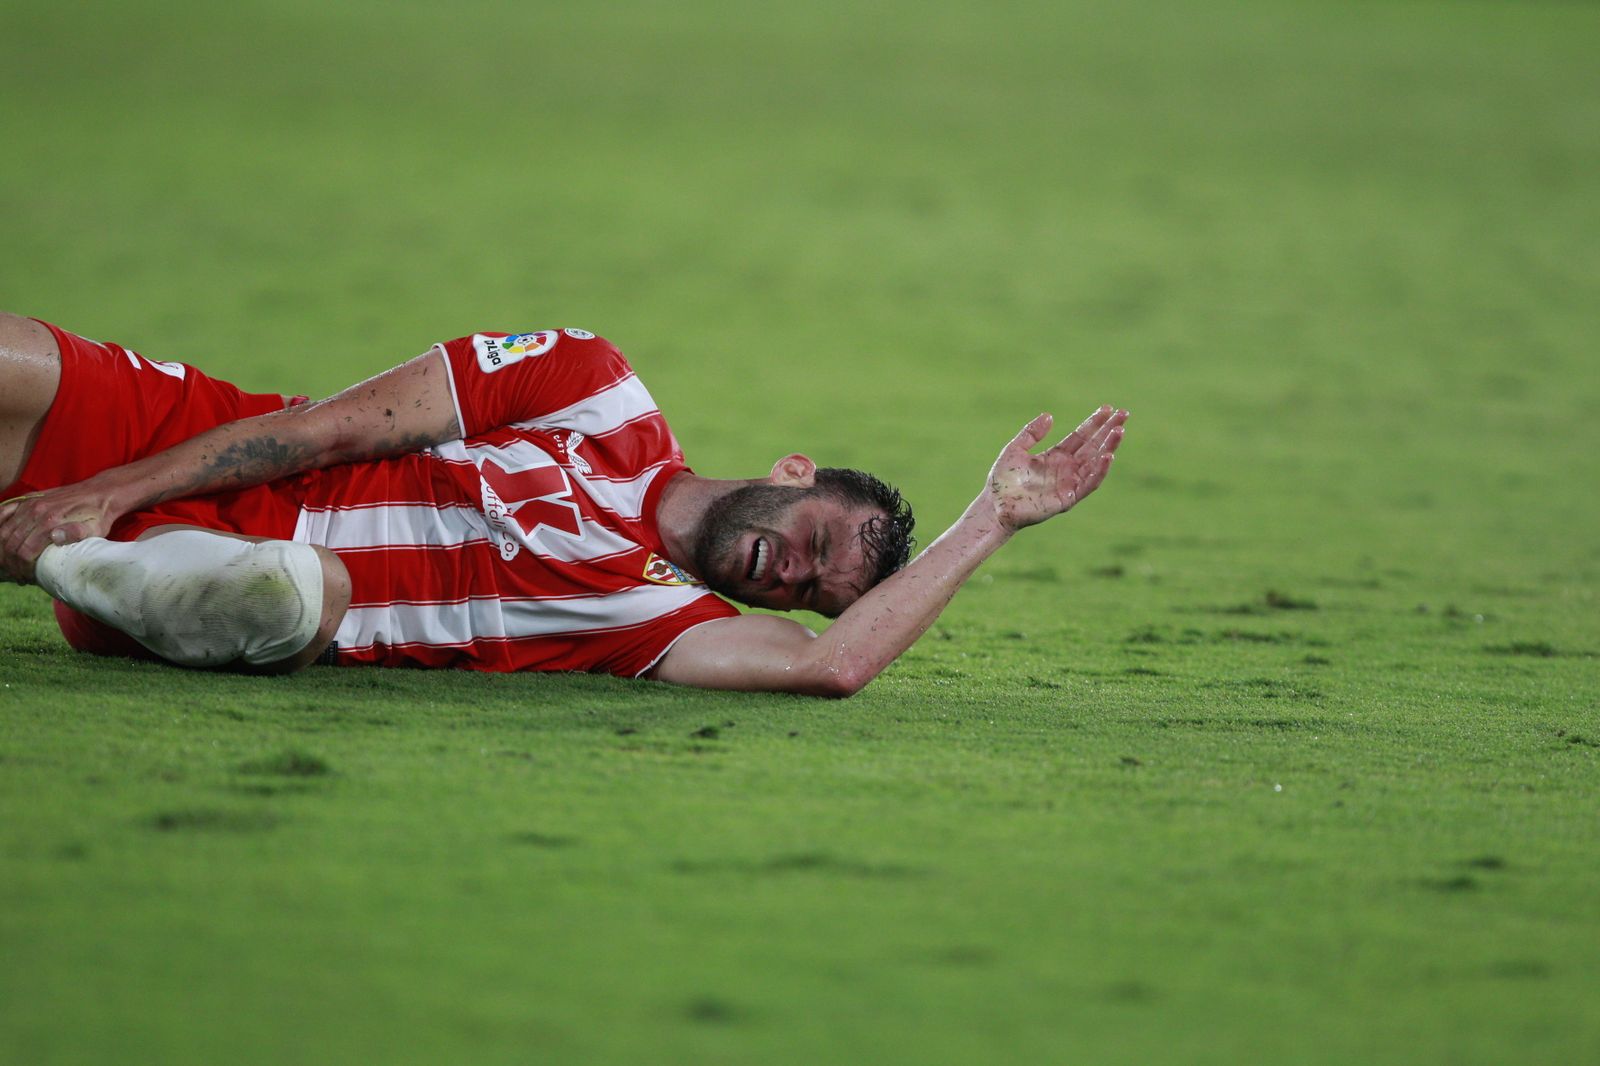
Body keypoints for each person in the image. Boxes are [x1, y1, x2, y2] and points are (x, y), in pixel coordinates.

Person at [0, 311, 1127, 695]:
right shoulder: (592, 385)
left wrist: (994, 518)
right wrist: (109, 485)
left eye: (810, 590)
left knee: (298, 590)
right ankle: (84, 548)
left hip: (258, 598)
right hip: (204, 447)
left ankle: (81, 564)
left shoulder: (659, 620)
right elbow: (330, 430)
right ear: (794, 472)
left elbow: (828, 667)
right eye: (816, 538)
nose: (793, 571)